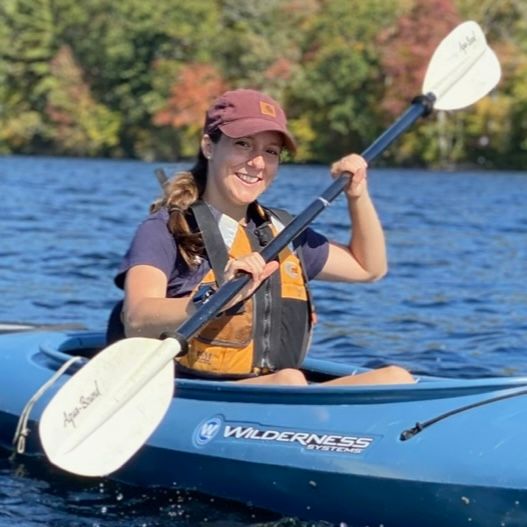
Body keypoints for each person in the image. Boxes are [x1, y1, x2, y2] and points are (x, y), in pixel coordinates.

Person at [107, 88, 414, 386]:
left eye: (270, 152)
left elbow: (369, 268)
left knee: (396, 377)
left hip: (275, 390)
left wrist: (357, 196)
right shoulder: (166, 228)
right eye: (243, 144)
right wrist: (216, 298)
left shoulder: (282, 233)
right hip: (197, 389)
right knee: (290, 381)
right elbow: (136, 317)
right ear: (209, 147)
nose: (257, 163)